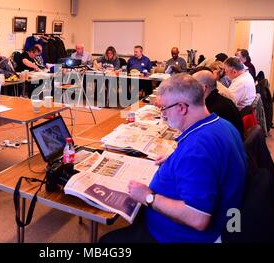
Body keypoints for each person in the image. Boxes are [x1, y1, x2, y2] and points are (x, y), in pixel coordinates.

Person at [100, 74, 247, 243]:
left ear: (182, 108)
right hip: (225, 220)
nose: (163, 115)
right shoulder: (222, 125)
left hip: (184, 236)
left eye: (164, 108)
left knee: (107, 241)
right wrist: (175, 158)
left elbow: (197, 218)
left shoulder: (197, 150)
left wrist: (149, 197)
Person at [193, 70, 244, 138]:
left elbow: (206, 138)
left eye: (192, 86)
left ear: (203, 88)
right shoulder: (220, 100)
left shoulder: (215, 110)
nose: (190, 89)